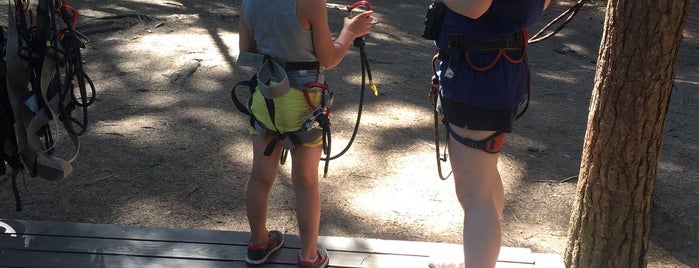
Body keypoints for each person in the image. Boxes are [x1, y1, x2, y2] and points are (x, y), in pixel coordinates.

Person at [237, 0, 373, 267]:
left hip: (268, 100)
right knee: (306, 182)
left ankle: (259, 243)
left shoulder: (249, 2)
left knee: (261, 177)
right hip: (306, 104)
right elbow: (329, 58)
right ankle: (309, 256)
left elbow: (246, 50)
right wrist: (350, 31)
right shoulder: (310, 2)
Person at [430, 0, 550, 267]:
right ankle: (476, 260)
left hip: (477, 76)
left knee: (475, 196)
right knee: (484, 180)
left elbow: (475, 7)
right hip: (496, 70)